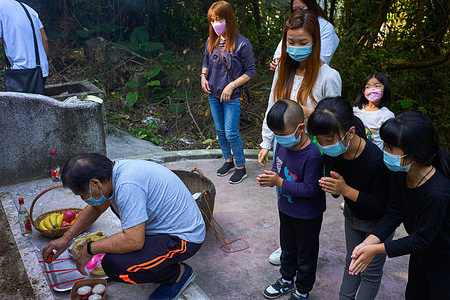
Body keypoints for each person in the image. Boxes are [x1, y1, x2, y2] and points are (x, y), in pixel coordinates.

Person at [42, 153, 205, 300]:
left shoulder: (128, 186)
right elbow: (97, 208)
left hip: (183, 239)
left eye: (83, 195)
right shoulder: (114, 174)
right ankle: (162, 264)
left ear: (95, 183)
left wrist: (90, 248)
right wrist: (65, 238)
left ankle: (177, 275)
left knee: (116, 267)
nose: (84, 199)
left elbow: (134, 240)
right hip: (161, 231)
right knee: (117, 250)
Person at [259, 9, 341, 265]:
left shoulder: (328, 76)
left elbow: (336, 117)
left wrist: (312, 113)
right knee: (284, 196)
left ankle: (305, 252)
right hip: (284, 145)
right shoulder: (282, 70)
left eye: (302, 42)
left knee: (306, 199)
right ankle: (287, 247)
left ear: (315, 42)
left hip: (311, 148)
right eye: (290, 42)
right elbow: (273, 106)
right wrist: (266, 141)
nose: (295, 48)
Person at [349, 112, 450, 299]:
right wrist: (369, 241)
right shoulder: (400, 172)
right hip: (421, 256)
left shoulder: (437, 192)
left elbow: (421, 239)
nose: (385, 152)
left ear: (414, 152)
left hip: (443, 261)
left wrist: (376, 249)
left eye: (390, 147)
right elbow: (394, 212)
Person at [307, 97, 393, 300]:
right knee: (352, 261)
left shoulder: (376, 161)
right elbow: (336, 191)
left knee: (370, 273)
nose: (324, 145)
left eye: (329, 139)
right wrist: (334, 187)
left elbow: (383, 206)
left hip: (378, 225)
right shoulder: (332, 152)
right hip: (353, 217)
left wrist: (345, 189)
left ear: (351, 132)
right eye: (319, 140)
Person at [258, 99, 325, 300]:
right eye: (276, 135)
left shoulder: (312, 154)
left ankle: (302, 290)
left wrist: (278, 182)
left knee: (306, 254)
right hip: (286, 208)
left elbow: (310, 189)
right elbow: (279, 169)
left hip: (307, 215)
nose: (279, 139)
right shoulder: (282, 143)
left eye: (282, 134)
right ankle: (286, 280)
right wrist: (271, 177)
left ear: (300, 128)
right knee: (287, 248)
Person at [201, 1, 256, 184]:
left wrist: (232, 85)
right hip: (213, 94)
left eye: (219, 19)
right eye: (212, 20)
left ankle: (241, 167)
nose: (215, 23)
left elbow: (250, 71)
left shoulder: (242, 44)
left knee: (231, 132)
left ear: (229, 19)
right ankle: (228, 161)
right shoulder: (211, 41)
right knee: (220, 130)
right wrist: (203, 77)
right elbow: (206, 62)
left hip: (232, 96)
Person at [270, 0, 339, 70]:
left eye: (301, 9)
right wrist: (277, 62)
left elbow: (323, 59)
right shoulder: (293, 24)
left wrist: (288, 64)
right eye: (295, 10)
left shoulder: (325, 27)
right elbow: (280, 52)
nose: (298, 13)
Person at [0, 0, 49, 87]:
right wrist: (41, 64)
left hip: (21, 71)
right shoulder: (28, 9)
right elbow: (44, 39)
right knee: (37, 99)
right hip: (40, 70)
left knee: (21, 101)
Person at [353, 73, 394, 149]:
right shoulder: (356, 110)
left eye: (377, 86)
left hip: (375, 156)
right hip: (356, 154)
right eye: (367, 87)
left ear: (385, 89)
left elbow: (389, 141)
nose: (372, 90)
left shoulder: (387, 115)